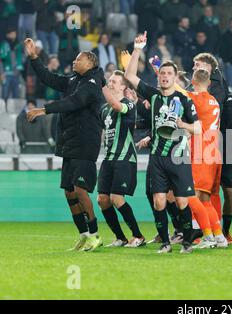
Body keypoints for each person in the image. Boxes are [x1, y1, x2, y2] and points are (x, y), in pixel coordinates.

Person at [24, 38, 105, 252]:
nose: (74, 61)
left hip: (85, 143)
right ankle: (84, 234)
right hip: (70, 142)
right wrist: (34, 58)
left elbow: (73, 102)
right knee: (69, 191)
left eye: (79, 59)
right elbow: (49, 78)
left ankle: (95, 234)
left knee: (80, 189)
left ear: (91, 62)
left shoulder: (92, 84)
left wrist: (44, 110)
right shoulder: (74, 80)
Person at [125, 32, 201, 254]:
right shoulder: (153, 95)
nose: (165, 76)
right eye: (162, 73)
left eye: (169, 73)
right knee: (159, 201)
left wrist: (182, 125)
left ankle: (187, 241)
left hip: (178, 157)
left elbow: (198, 128)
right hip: (157, 158)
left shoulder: (185, 100)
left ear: (175, 77)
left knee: (181, 202)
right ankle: (166, 243)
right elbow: (130, 75)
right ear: (158, 77)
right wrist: (138, 48)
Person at [175, 68, 228, 249]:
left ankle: (207, 236)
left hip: (201, 153)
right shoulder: (214, 102)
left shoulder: (196, 98)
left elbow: (176, 89)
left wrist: (158, 69)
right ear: (210, 83)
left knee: (189, 195)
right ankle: (219, 236)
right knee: (205, 199)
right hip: (214, 153)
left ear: (193, 81)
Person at [97, 70, 146, 248]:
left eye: (114, 81)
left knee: (116, 198)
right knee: (102, 199)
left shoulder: (128, 104)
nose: (110, 83)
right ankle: (120, 237)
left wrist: (102, 85)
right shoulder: (104, 110)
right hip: (108, 158)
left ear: (124, 86)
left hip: (125, 158)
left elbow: (118, 107)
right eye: (109, 81)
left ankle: (138, 236)